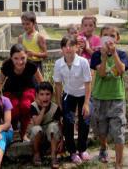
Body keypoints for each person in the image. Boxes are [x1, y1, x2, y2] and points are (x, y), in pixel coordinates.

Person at [90, 25, 128, 169]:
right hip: (100, 97)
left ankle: (119, 163)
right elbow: (101, 74)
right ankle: (104, 147)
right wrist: (104, 56)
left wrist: (115, 54)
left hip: (117, 98)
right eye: (105, 35)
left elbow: (121, 70)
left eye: (112, 35)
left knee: (119, 132)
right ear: (100, 38)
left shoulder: (122, 54)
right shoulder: (96, 55)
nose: (109, 38)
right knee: (102, 128)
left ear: (117, 39)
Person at [53, 35, 92, 164]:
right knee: (68, 123)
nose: (68, 49)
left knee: (84, 122)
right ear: (61, 49)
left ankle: (82, 149)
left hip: (83, 95)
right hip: (68, 95)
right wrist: (59, 101)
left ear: (77, 47)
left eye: (71, 45)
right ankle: (72, 151)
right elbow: (58, 84)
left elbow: (88, 83)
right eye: (65, 46)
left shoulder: (83, 62)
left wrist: (86, 103)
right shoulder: (58, 63)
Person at [1, 43, 43, 141]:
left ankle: (23, 133)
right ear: (11, 58)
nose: (19, 62)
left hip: (28, 89)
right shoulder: (7, 66)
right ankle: (14, 129)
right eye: (16, 58)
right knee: (12, 108)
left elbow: (41, 82)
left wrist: (41, 98)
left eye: (22, 58)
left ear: (27, 56)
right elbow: (0, 82)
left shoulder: (31, 66)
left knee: (25, 106)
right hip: (11, 90)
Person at [28, 81, 62, 169]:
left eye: (47, 94)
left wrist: (62, 140)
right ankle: (36, 153)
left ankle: (53, 156)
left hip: (50, 135)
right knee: (36, 128)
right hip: (38, 135)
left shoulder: (55, 108)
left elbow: (59, 125)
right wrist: (43, 108)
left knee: (53, 126)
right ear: (37, 96)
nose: (45, 97)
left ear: (52, 95)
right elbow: (37, 123)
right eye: (41, 94)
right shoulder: (33, 106)